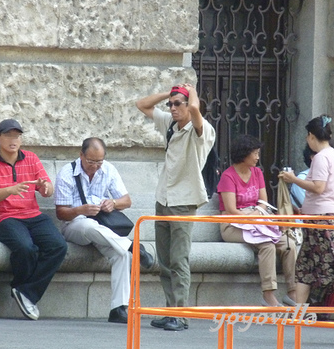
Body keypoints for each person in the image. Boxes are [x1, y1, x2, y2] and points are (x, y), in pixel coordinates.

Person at [136, 83, 215, 331]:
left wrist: (190, 92)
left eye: (176, 104)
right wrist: (168, 94)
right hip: (165, 199)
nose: (172, 108)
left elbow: (194, 107)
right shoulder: (170, 124)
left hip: (184, 202)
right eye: (170, 105)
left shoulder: (201, 130)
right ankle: (170, 311)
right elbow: (142, 105)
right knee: (165, 259)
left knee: (179, 259)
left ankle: (181, 315)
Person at [0, 118, 68, 321]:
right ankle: (25, 292)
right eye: (8, 135)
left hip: (32, 215)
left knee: (58, 245)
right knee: (26, 248)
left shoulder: (32, 159)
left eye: (16, 136)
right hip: (0, 218)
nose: (13, 140)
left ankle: (25, 291)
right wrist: (10, 190)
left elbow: (48, 190)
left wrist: (45, 187)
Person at [54, 137, 154, 324]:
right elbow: (61, 213)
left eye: (99, 162)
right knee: (88, 225)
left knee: (121, 254)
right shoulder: (67, 173)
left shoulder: (108, 169)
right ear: (81, 155)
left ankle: (119, 308)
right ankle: (132, 245)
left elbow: (127, 201)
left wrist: (112, 203)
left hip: (104, 229)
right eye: (91, 162)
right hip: (75, 226)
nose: (95, 167)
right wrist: (80, 210)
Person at [279, 116, 334, 323]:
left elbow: (319, 187)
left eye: (308, 136)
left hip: (323, 220)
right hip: (323, 217)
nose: (307, 140)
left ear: (312, 136)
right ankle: (299, 312)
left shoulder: (321, 157)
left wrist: (294, 179)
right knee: (305, 265)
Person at [218, 134, 297, 307]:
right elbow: (231, 210)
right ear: (244, 154)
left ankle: (292, 293)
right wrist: (251, 216)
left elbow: (263, 201)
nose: (257, 157)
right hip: (232, 224)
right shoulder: (228, 176)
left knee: (288, 244)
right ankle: (268, 295)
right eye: (254, 153)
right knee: (267, 245)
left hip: (256, 218)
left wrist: (257, 214)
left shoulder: (257, 172)